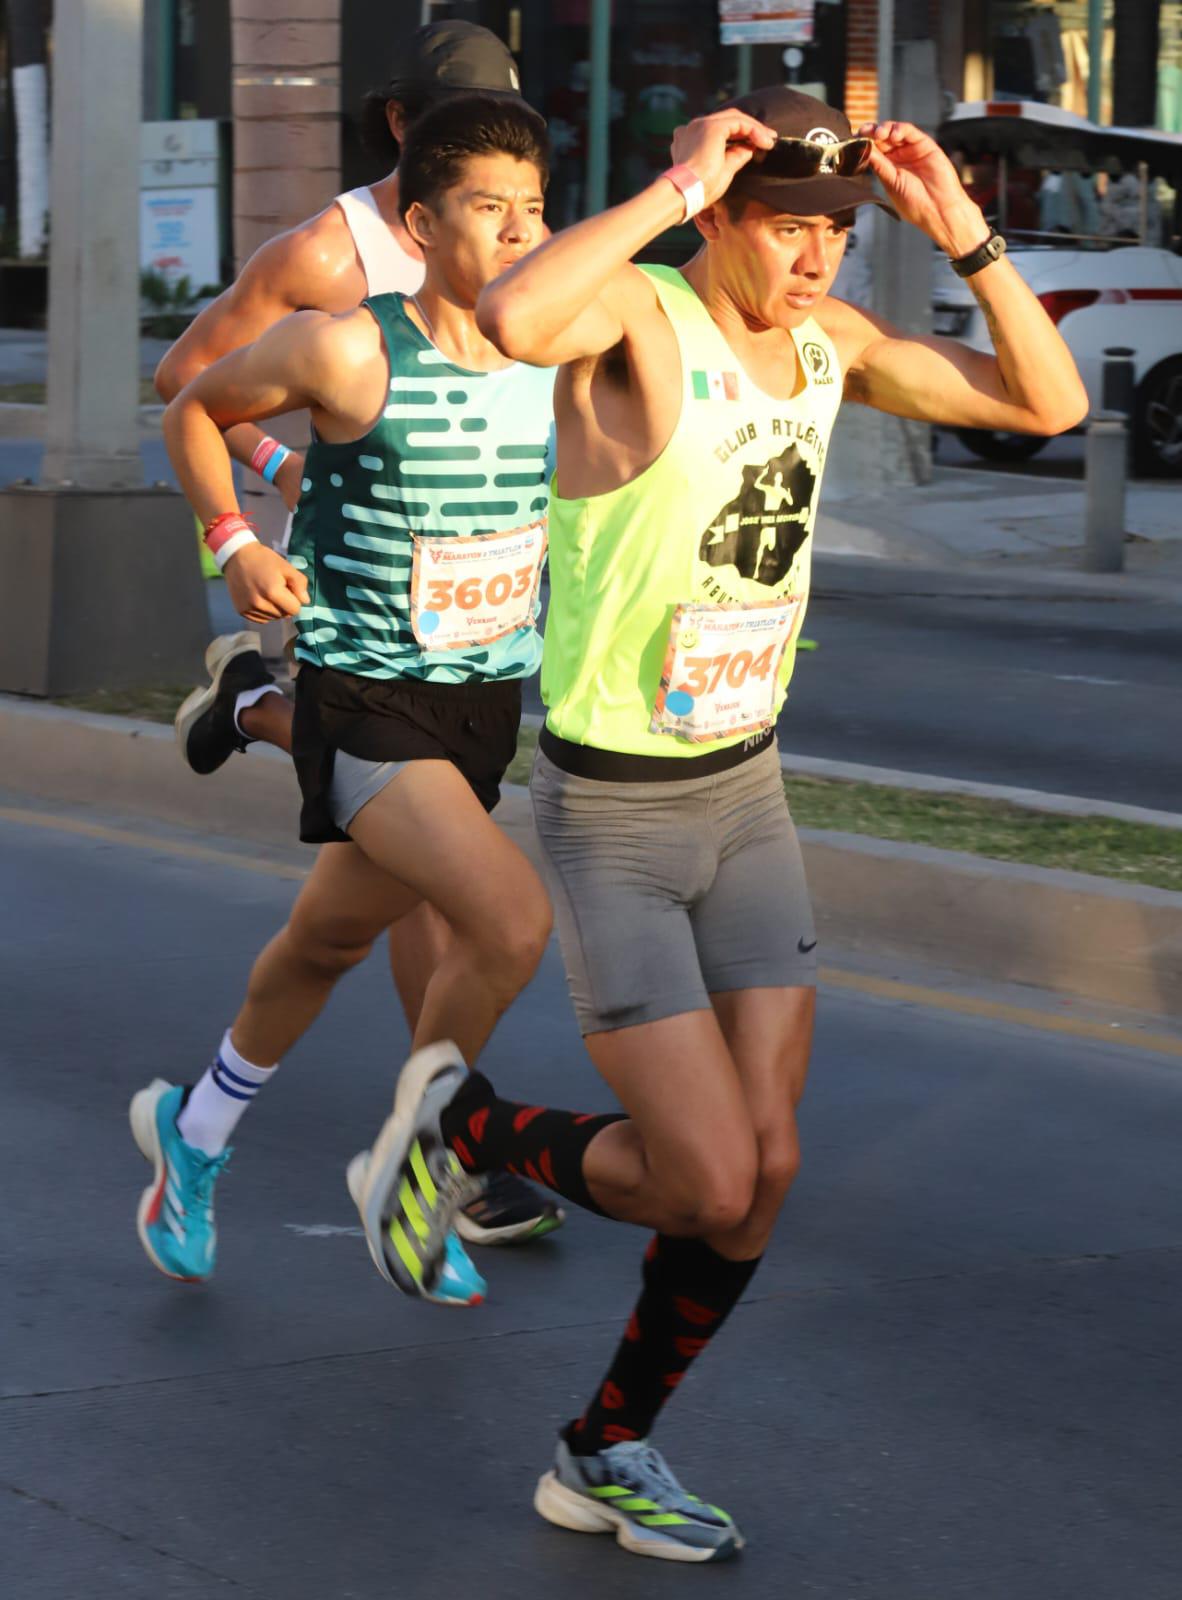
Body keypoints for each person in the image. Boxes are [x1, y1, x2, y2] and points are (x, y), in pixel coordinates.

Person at [354, 87, 1088, 1560]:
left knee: (765, 1178)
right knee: (697, 1177)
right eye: (785, 226)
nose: (813, 257)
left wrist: (966, 235)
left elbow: (1050, 407)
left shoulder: (831, 348)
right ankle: (454, 1125)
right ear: (726, 220)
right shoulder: (639, 318)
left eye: (834, 231)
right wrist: (681, 184)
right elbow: (508, 315)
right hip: (615, 814)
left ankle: (604, 1445)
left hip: (747, 801)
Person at [131, 94, 565, 1303]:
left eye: (535, 211)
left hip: (483, 710)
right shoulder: (348, 347)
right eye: (491, 210)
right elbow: (194, 404)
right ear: (422, 226)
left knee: (325, 941)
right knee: (511, 921)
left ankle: (194, 1130)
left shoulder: (555, 356)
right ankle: (415, 1168)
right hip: (365, 698)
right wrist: (234, 544)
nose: (522, 235)